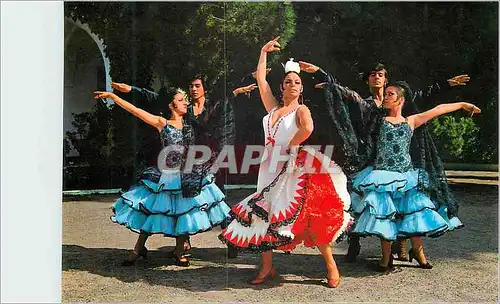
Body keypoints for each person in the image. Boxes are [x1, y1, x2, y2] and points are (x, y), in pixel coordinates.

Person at [302, 61, 469, 262]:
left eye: (380, 74)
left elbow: (421, 98)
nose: (376, 77)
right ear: (368, 80)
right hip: (369, 157)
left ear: (386, 80)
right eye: (372, 74)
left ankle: (403, 246)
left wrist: (446, 85)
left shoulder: (396, 101)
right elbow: (346, 93)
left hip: (396, 161)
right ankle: (355, 242)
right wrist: (323, 76)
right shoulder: (366, 103)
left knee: (403, 201)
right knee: (362, 202)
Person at [219, 37, 352, 288]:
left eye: (297, 82)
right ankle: (267, 267)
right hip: (268, 167)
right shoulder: (272, 109)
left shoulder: (300, 110)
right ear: (282, 87)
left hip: (291, 167)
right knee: (262, 215)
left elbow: (308, 128)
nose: (293, 85)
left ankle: (331, 264)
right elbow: (260, 80)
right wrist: (262, 53)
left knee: (308, 213)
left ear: (302, 88)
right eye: (288, 81)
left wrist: (293, 144)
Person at [93, 87, 232, 267]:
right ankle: (138, 249)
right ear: (171, 104)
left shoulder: (191, 126)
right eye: (181, 100)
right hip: (167, 175)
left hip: (187, 173)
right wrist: (113, 96)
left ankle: (179, 251)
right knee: (151, 210)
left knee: (185, 211)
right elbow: (136, 111)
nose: (186, 103)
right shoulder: (162, 123)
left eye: (185, 100)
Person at [349, 81, 479, 271]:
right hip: (382, 177)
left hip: (406, 176)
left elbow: (439, 109)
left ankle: (417, 251)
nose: (385, 97)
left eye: (390, 94)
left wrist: (462, 105)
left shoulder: (411, 121)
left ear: (401, 100)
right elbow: (356, 100)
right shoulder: (378, 120)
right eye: (385, 94)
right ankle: (386, 257)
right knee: (384, 217)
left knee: (414, 213)